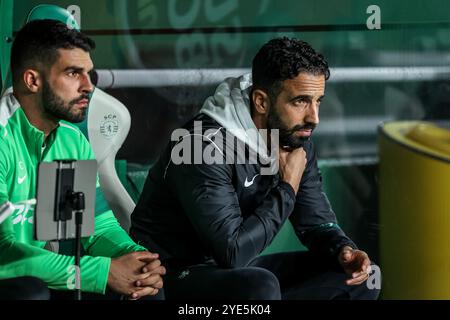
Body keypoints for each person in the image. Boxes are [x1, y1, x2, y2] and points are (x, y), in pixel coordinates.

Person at [130, 37, 380, 300]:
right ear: (261, 101)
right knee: (259, 286)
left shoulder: (292, 136)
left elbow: (315, 224)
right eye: (300, 101)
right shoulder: (201, 146)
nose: (313, 118)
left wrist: (343, 249)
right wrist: (287, 188)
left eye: (318, 101)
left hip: (239, 272)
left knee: (362, 278)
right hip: (174, 276)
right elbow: (232, 252)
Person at [0, 19, 165, 300]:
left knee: (144, 291)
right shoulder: (4, 136)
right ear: (33, 80)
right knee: (30, 292)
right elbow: (4, 252)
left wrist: (134, 259)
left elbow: (94, 228)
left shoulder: (70, 140)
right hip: (13, 278)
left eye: (89, 73)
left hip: (42, 273)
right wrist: (103, 272)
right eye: (73, 73)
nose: (89, 86)